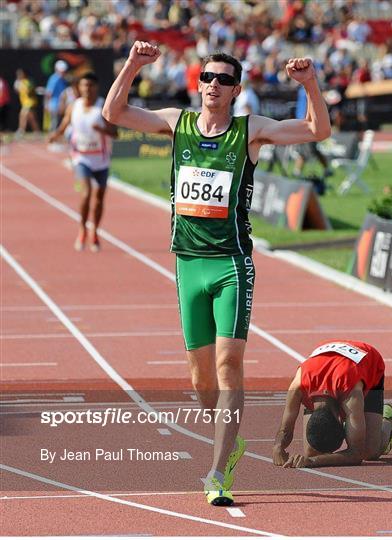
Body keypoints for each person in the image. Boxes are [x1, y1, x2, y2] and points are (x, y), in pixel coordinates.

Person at [103, 41, 331, 506]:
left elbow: (317, 130)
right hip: (188, 265)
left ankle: (217, 471)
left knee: (230, 366)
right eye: (207, 77)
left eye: (224, 80)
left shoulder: (250, 131)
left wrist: (309, 83)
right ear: (199, 83)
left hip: (231, 265)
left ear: (235, 89)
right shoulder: (176, 122)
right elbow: (114, 112)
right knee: (202, 381)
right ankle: (232, 439)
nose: (213, 85)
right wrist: (132, 65)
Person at [273, 340, 392, 469]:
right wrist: (278, 446)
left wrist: (313, 461)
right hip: (329, 364)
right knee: (312, 451)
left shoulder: (351, 393)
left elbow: (356, 454)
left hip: (369, 363)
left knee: (369, 452)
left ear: (340, 419)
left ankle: (387, 421)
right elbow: (285, 428)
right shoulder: (298, 387)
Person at [48, 72, 118, 252]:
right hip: (81, 157)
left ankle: (94, 231)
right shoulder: (74, 106)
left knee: (99, 199)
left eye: (91, 85)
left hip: (101, 159)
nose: (87, 89)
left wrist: (102, 129)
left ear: (96, 87)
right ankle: (82, 230)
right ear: (79, 87)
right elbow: (64, 125)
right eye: (84, 85)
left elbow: (115, 133)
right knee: (86, 194)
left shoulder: (104, 107)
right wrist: (54, 135)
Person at [14, 69, 40, 137]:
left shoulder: (28, 82)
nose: (19, 75)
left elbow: (30, 91)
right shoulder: (19, 82)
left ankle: (21, 130)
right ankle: (37, 131)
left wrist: (27, 89)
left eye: (20, 74)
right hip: (24, 102)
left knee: (23, 115)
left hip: (30, 102)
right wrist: (17, 86)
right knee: (31, 118)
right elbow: (17, 91)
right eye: (18, 74)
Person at [45, 60, 69, 131]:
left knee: (60, 124)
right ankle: (51, 139)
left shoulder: (63, 80)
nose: (63, 72)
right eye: (61, 71)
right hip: (54, 106)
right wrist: (47, 104)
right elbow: (49, 93)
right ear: (56, 69)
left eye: (64, 71)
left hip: (62, 106)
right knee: (54, 124)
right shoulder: (54, 79)